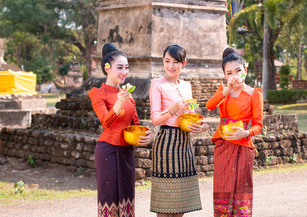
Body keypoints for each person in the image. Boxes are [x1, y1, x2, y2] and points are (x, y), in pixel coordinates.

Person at [88, 43, 154, 217]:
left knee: (126, 196)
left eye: (126, 67)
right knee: (109, 196)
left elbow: (136, 123)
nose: (124, 72)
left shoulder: (128, 93)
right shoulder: (98, 93)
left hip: (126, 150)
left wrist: (148, 136)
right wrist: (118, 102)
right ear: (107, 68)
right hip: (107, 149)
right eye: (120, 67)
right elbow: (106, 123)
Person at [149, 44, 209, 217]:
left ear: (184, 63)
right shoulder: (157, 84)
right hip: (166, 142)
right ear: (163, 61)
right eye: (167, 61)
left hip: (184, 143)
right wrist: (173, 109)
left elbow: (189, 114)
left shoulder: (186, 86)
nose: (171, 66)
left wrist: (201, 125)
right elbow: (155, 119)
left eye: (176, 62)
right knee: (165, 203)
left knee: (181, 203)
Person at [206, 48, 263, 217]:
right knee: (222, 189)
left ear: (245, 70)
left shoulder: (254, 94)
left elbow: (258, 125)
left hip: (243, 147)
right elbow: (209, 106)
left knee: (241, 191)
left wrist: (245, 133)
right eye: (229, 73)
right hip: (223, 146)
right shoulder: (223, 92)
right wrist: (225, 91)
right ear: (225, 75)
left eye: (238, 71)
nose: (234, 76)